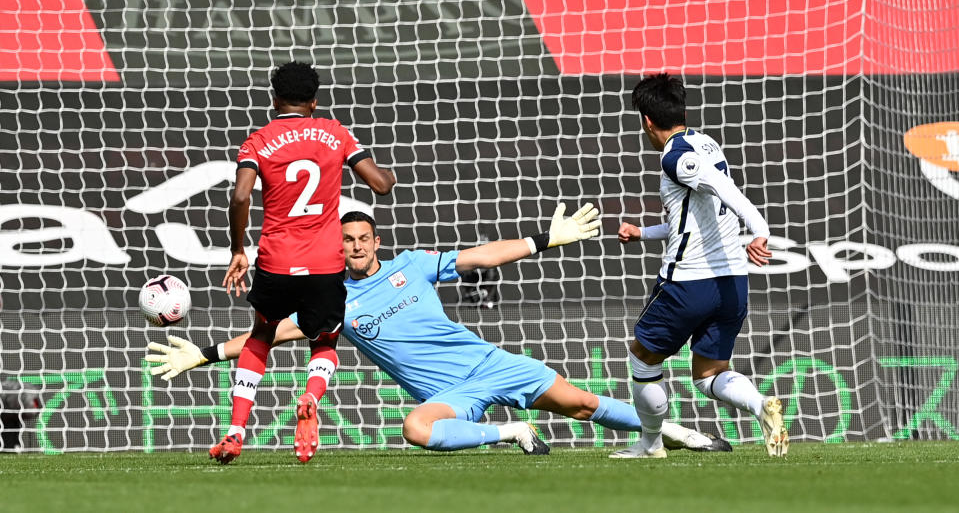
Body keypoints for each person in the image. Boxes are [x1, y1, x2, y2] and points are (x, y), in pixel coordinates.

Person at [148, 209, 732, 455]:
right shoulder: (334, 301)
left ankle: (680, 434)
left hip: (490, 363)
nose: (352, 248)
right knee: (415, 429)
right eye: (344, 242)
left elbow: (481, 258)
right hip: (449, 396)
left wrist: (544, 240)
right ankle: (511, 433)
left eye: (361, 240)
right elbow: (269, 337)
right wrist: (201, 355)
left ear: (375, 242)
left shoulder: (413, 264)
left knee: (580, 404)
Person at [210, 61, 395, 464]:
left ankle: (235, 432)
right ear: (315, 100)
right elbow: (380, 184)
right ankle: (310, 397)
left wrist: (238, 248)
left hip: (277, 258)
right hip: (326, 262)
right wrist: (388, 176)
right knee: (324, 339)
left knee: (261, 335)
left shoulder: (257, 141)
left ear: (274, 98)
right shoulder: (335, 133)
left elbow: (240, 197)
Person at [612, 73, 787, 459]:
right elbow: (694, 216)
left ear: (647, 121)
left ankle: (651, 444)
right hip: (731, 282)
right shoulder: (706, 142)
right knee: (708, 373)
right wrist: (642, 233)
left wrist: (760, 228)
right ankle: (761, 407)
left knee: (642, 356)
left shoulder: (676, 156)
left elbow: (726, 191)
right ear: (683, 111)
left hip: (690, 281)